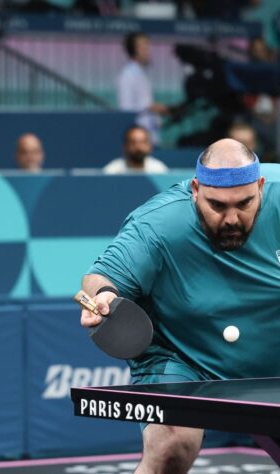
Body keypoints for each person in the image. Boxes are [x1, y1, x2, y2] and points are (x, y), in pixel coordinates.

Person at [80, 138, 280, 473]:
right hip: (182, 354)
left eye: (244, 204)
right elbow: (101, 276)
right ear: (196, 190)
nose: (231, 218)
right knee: (172, 446)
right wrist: (102, 296)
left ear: (260, 186)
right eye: (217, 206)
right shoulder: (158, 224)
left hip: (269, 357)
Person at [116, 32, 169, 144]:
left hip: (150, 135)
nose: (148, 51)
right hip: (138, 139)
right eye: (143, 47)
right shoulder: (127, 75)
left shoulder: (143, 73)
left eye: (148, 46)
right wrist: (150, 107)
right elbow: (125, 109)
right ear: (133, 50)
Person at [103, 125, 167, 174]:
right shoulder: (112, 171)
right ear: (125, 146)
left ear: (150, 146)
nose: (138, 147)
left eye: (143, 142)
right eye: (133, 142)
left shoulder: (159, 170)